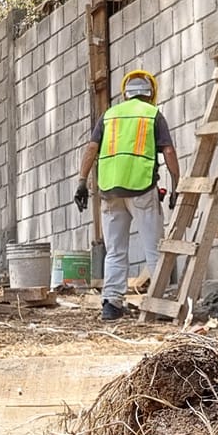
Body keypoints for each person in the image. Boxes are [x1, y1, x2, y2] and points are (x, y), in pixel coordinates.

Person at [76, 69, 182, 322]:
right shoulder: (153, 114)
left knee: (115, 250)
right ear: (150, 94)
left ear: (125, 93)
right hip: (142, 188)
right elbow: (168, 152)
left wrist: (82, 181)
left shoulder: (109, 115)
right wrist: (176, 184)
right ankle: (157, 303)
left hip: (110, 190)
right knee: (154, 249)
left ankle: (111, 304)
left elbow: (92, 147)